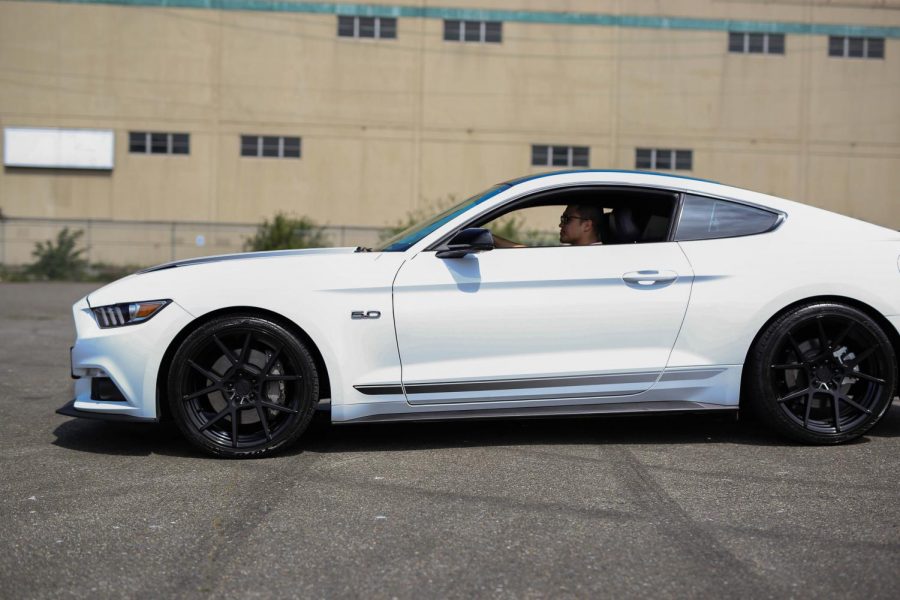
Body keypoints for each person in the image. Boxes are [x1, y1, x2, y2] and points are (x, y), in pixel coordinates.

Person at [491, 204, 602, 248]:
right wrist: (492, 239)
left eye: (566, 219)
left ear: (587, 225)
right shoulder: (576, 253)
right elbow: (530, 255)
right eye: (562, 219)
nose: (560, 224)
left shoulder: (596, 257)